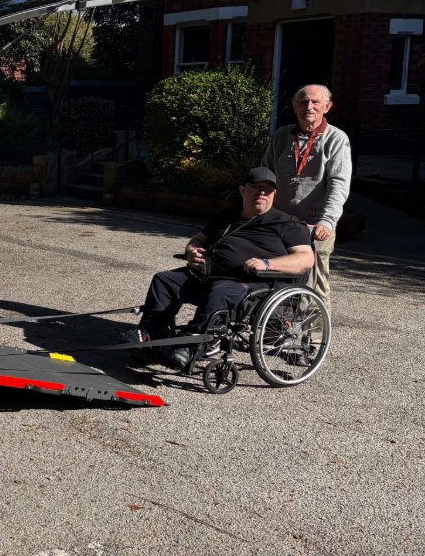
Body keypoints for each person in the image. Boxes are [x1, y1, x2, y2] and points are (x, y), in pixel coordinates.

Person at [134, 167, 314, 370]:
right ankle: (151, 336)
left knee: (220, 290)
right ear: (242, 190)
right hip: (210, 277)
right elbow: (197, 240)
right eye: (255, 187)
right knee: (165, 280)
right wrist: (191, 251)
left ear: (274, 193)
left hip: (255, 286)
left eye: (267, 189)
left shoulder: (287, 224)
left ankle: (193, 346)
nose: (261, 192)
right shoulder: (227, 217)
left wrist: (267, 264)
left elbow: (306, 259)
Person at [260, 84, 351, 306]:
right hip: (279, 221)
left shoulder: (336, 139)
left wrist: (327, 221)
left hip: (314, 224)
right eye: (303, 102)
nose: (309, 107)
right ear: (294, 106)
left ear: (327, 107)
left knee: (315, 283)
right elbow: (266, 175)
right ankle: (280, 323)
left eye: (315, 102)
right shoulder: (281, 135)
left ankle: (316, 328)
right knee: (274, 275)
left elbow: (339, 184)